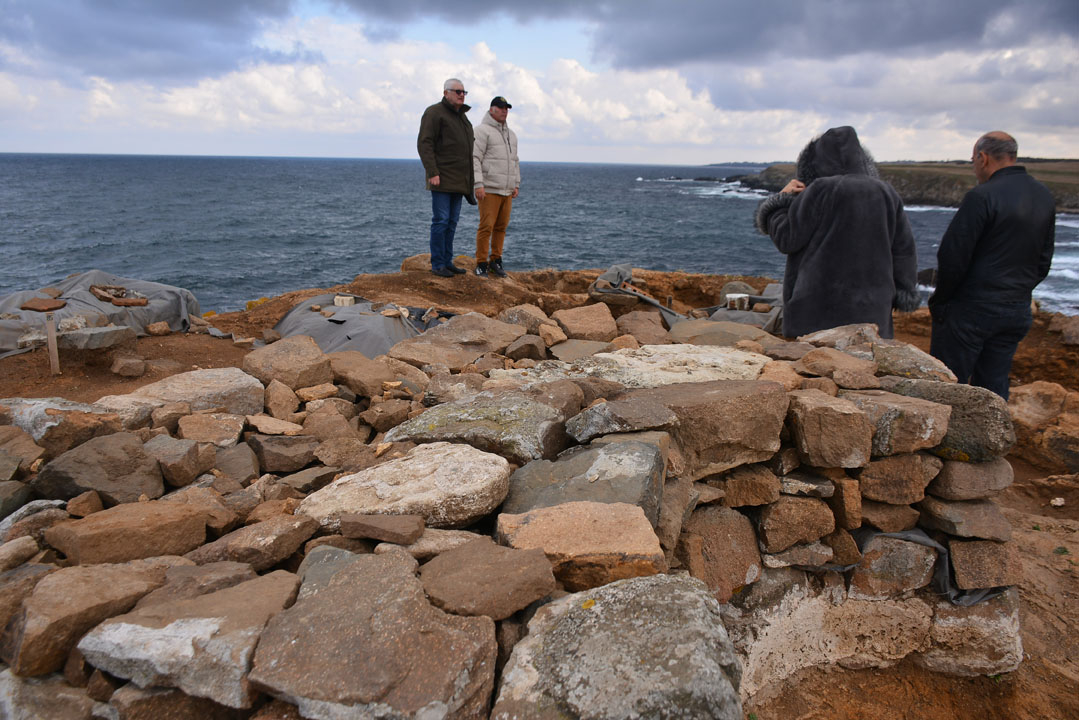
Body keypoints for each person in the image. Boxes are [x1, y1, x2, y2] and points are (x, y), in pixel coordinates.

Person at [755, 125, 919, 339]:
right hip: (872, 314)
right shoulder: (886, 192)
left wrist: (780, 202)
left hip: (816, 314)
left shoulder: (819, 190)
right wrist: (905, 291)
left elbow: (787, 238)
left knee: (816, 368)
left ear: (816, 160)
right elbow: (904, 250)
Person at [928, 131, 1055, 399]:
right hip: (1016, 310)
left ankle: (948, 441)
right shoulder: (1043, 195)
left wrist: (941, 303)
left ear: (983, 158)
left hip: (971, 311)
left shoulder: (981, 196)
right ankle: (993, 439)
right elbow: (1044, 259)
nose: (974, 166)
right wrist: (1018, 293)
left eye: (973, 159)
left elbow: (952, 258)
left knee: (948, 386)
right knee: (994, 386)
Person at [417, 78, 475, 278]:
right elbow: (425, 143)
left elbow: (467, 151)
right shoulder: (434, 113)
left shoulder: (462, 118)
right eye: (457, 91)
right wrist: (432, 172)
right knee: (441, 221)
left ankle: (447, 262)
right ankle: (438, 264)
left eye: (463, 92)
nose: (461, 94)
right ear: (445, 93)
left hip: (458, 181)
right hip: (441, 179)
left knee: (451, 222)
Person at [472, 96, 520, 278]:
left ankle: (496, 260)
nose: (504, 111)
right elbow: (475, 158)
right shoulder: (482, 131)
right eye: (500, 108)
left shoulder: (511, 135)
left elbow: (515, 160)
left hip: (506, 190)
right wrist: (478, 184)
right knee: (486, 227)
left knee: (501, 227)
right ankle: (481, 263)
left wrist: (516, 183)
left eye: (506, 108)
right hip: (489, 188)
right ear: (491, 110)